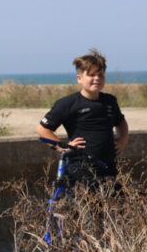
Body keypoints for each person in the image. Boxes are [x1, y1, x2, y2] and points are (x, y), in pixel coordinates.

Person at [36, 49, 129, 183]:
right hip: (80, 170)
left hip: (109, 168)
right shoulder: (67, 103)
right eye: (91, 75)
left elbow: (121, 122)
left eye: (101, 75)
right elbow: (42, 129)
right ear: (79, 78)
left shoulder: (110, 101)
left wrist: (123, 140)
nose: (97, 78)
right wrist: (63, 147)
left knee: (114, 203)